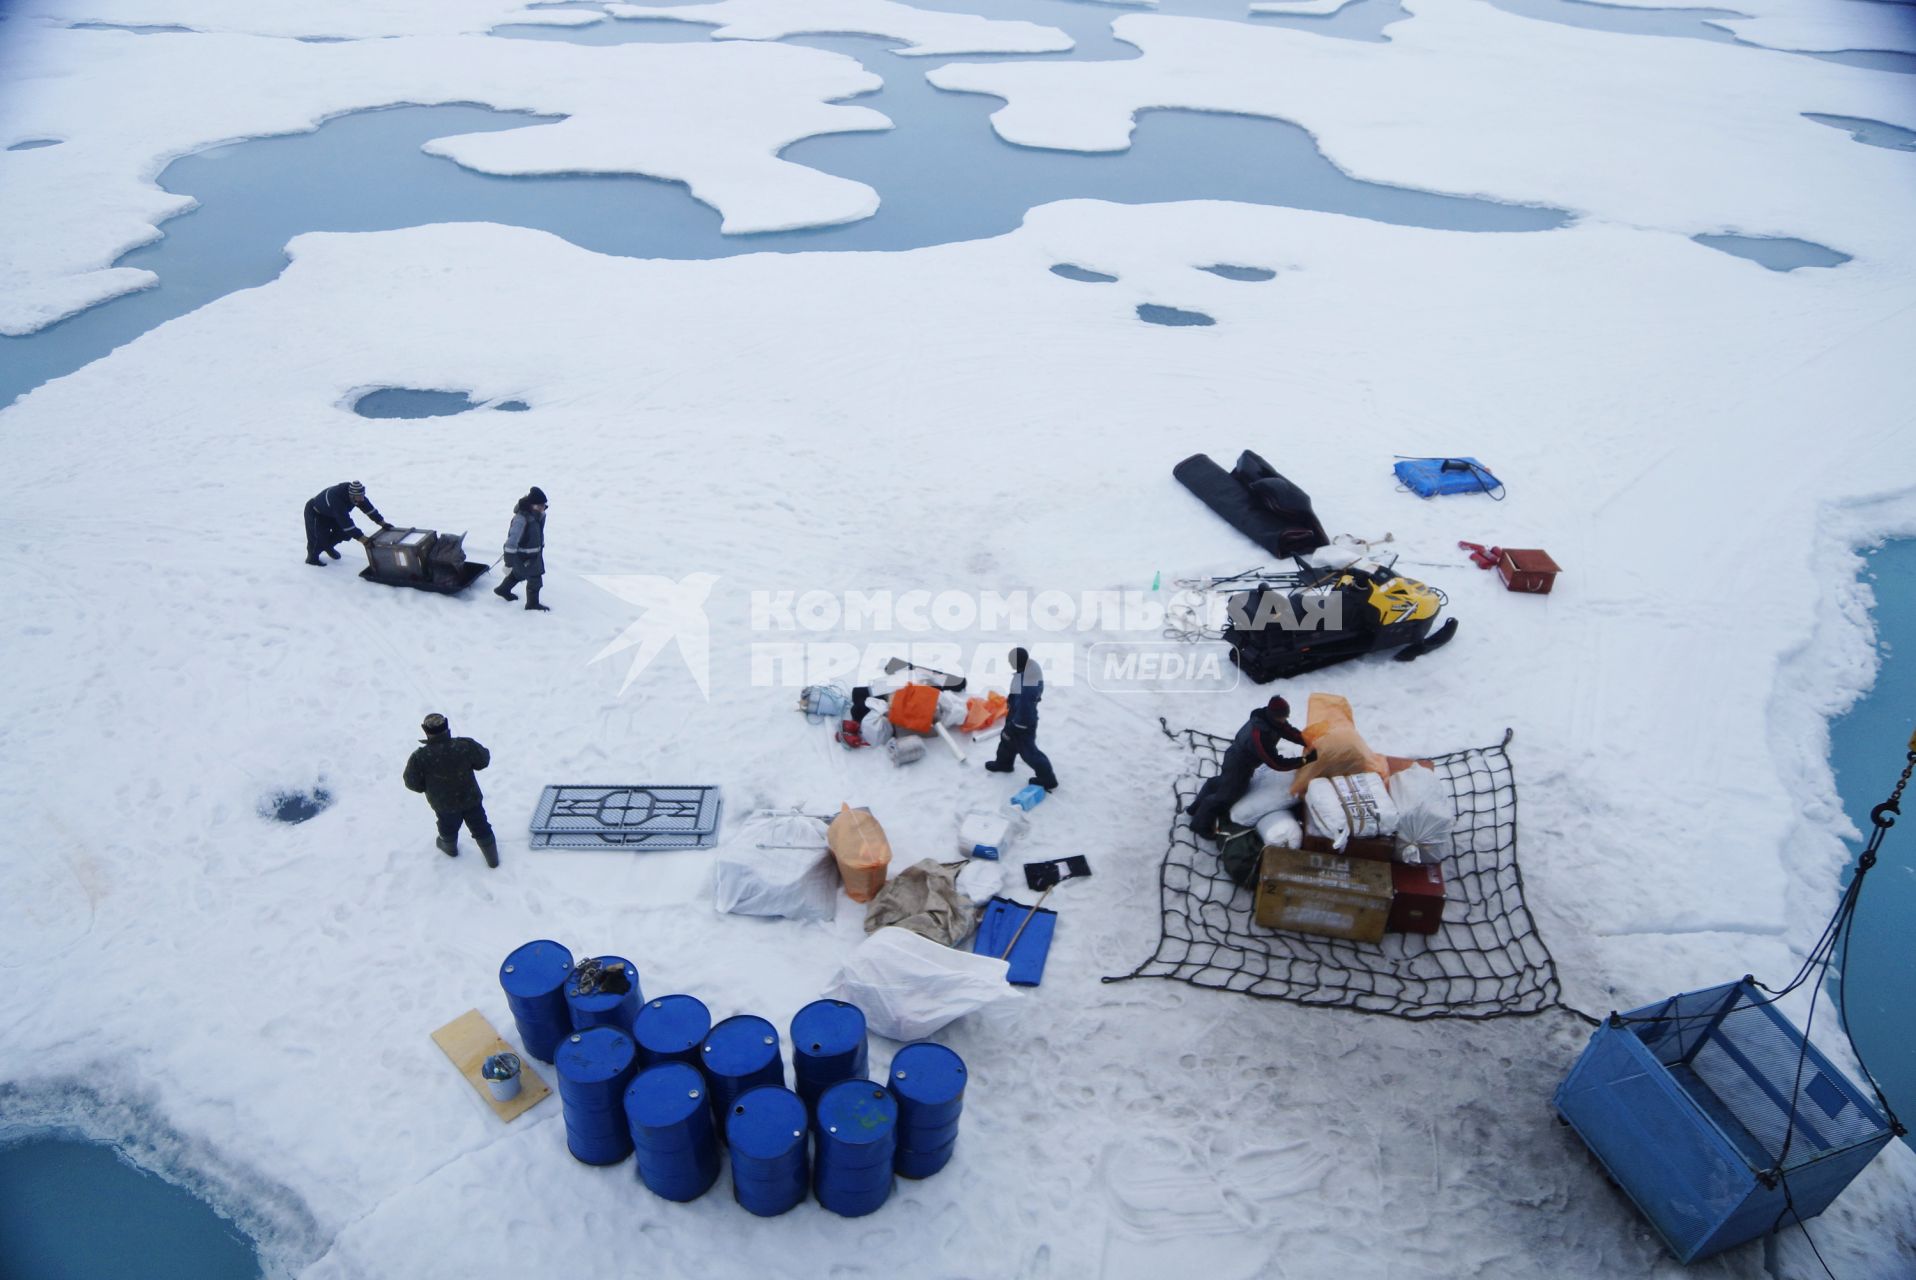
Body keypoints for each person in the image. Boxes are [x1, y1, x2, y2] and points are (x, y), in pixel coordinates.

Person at [1185, 695, 1317, 837]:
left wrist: (1307, 741)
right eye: (1283, 717)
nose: (1285, 720)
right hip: (1239, 765)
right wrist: (1304, 761)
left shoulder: (1270, 720)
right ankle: (1200, 825)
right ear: (1274, 716)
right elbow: (1276, 763)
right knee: (1226, 797)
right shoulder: (1260, 735)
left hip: (1238, 757)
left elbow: (1288, 731)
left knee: (1218, 783)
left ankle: (1194, 809)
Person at [403, 713, 500, 868]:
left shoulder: (419, 757)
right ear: (447, 725)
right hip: (471, 798)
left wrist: (426, 787)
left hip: (443, 804)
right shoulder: (464, 745)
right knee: (480, 825)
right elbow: (483, 760)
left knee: (447, 827)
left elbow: (412, 783)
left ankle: (450, 849)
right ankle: (493, 860)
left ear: (424, 730)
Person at [985, 646, 1059, 792]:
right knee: (1007, 740)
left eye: (1011, 661)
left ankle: (1047, 778)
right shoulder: (1030, 667)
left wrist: (1016, 725)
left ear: (1018, 662)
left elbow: (1026, 708)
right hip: (1017, 713)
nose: (1009, 664)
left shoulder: (1027, 686)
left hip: (1023, 722)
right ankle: (1004, 763)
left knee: (1028, 752)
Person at [303, 480, 389, 566]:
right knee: (318, 538)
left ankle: (328, 547)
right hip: (316, 512)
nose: (362, 499)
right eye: (360, 497)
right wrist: (363, 539)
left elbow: (369, 510)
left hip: (331, 513)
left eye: (363, 495)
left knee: (343, 533)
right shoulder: (337, 500)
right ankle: (312, 558)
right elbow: (346, 523)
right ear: (351, 495)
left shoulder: (358, 496)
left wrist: (383, 523)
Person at [494, 487, 549, 612]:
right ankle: (532, 604)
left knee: (518, 574)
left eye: (543, 505)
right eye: (539, 506)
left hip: (534, 554)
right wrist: (508, 561)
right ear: (531, 505)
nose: (542, 508)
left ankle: (503, 589)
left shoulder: (538, 515)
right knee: (535, 579)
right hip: (525, 556)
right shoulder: (521, 519)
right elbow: (512, 541)